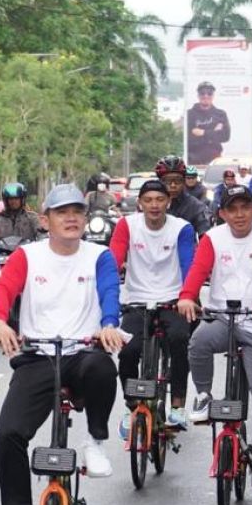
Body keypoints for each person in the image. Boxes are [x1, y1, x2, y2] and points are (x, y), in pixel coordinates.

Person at [0, 184, 125, 505]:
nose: (71, 218)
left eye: (77, 212)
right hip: (37, 355)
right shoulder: (26, 257)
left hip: (82, 351)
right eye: (62, 213)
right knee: (7, 435)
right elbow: (4, 292)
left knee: (103, 367)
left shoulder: (99, 256)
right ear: (45, 219)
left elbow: (110, 292)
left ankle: (95, 442)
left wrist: (109, 323)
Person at [178, 184, 252, 486]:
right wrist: (188, 296)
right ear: (222, 213)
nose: (239, 214)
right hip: (221, 316)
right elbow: (198, 270)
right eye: (232, 208)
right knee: (198, 342)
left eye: (245, 207)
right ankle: (202, 395)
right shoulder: (213, 238)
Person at [110, 179, 196, 432]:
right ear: (140, 203)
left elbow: (188, 264)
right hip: (136, 298)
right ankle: (131, 407)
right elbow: (114, 258)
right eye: (148, 200)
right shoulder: (127, 224)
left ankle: (178, 405)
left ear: (168, 202)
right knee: (127, 351)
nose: (154, 205)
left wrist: (188, 296)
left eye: (160, 200)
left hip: (173, 298)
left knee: (180, 340)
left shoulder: (182, 228)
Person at [155, 154, 212, 237]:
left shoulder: (195, 206)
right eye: (168, 180)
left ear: (183, 182)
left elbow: (205, 234)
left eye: (178, 180)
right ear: (160, 181)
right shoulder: (150, 204)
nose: (173, 185)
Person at [186, 81, 231, 164]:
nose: (206, 96)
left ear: (213, 96)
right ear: (198, 95)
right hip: (193, 159)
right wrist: (214, 133)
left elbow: (225, 136)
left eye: (209, 93)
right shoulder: (189, 114)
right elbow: (189, 137)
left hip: (215, 159)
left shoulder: (220, 114)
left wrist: (203, 132)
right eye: (202, 93)